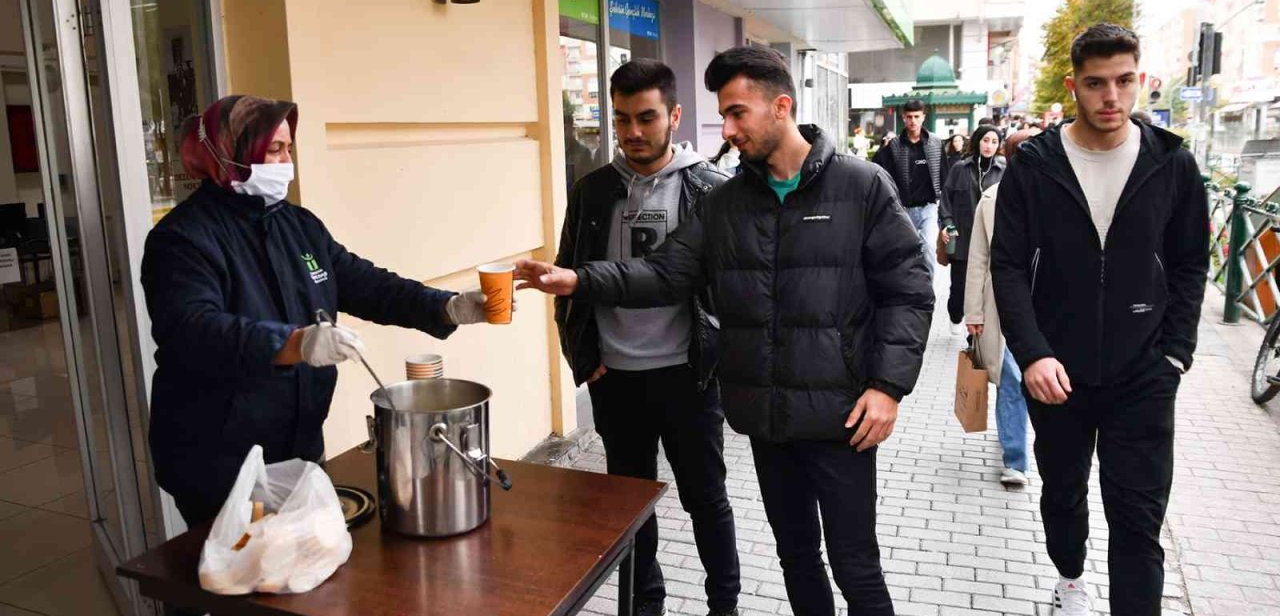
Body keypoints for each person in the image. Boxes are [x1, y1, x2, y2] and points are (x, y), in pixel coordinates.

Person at [516, 45, 933, 616]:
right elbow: (664, 273)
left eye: (738, 113)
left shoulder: (861, 186)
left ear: (780, 107)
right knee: (796, 558)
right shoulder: (727, 203)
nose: (728, 129)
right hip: (765, 419)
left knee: (855, 567)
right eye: (724, 115)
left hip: (843, 417)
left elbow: (909, 291)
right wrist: (575, 280)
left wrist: (887, 387)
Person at [141, 95, 499, 528]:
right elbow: (193, 330)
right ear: (230, 152)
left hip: (297, 446)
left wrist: (446, 307)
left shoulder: (298, 226)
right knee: (239, 579)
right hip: (218, 459)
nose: (285, 161)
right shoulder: (182, 239)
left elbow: (365, 284)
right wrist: (295, 343)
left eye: (289, 149)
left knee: (301, 576)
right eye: (273, 150)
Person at [990, 24, 1208, 615]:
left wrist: (1174, 353)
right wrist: (1032, 352)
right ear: (1073, 85)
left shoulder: (1171, 162)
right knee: (1064, 495)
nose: (1111, 97)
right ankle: (1068, 580)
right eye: (1095, 84)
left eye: (1124, 81)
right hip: (1056, 371)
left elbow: (1192, 263)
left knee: (1138, 519)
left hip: (1144, 373)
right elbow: (1006, 265)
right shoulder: (1035, 165)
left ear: (1141, 79)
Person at [554, 59, 741, 616]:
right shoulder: (592, 191)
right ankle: (644, 604)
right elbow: (570, 279)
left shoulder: (711, 189)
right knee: (631, 507)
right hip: (616, 379)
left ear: (675, 116)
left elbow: (732, 289)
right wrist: (584, 361)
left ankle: (724, 605)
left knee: (706, 500)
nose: (633, 132)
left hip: (688, 376)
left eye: (646, 118)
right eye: (622, 119)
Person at [962, 129, 1036, 488]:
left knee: (1032, 382)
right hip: (1002, 307)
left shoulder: (1060, 198)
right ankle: (1015, 459)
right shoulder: (991, 200)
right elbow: (977, 259)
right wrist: (973, 313)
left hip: (1049, 309)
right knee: (1012, 380)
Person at [938, 126, 1003, 325]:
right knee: (959, 290)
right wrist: (947, 225)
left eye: (994, 141)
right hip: (962, 238)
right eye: (985, 140)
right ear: (977, 141)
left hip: (990, 239)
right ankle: (955, 315)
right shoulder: (960, 168)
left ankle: (973, 336)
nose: (989, 146)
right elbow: (946, 201)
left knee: (983, 291)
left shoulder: (1003, 170)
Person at [872, 99, 945, 276]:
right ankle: (909, 289)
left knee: (928, 249)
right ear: (903, 118)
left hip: (929, 206)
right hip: (904, 208)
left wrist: (946, 213)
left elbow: (945, 176)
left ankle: (928, 290)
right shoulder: (895, 145)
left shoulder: (935, 143)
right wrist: (884, 148)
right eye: (909, 116)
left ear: (923, 117)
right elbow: (877, 168)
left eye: (917, 116)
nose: (913, 121)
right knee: (905, 251)